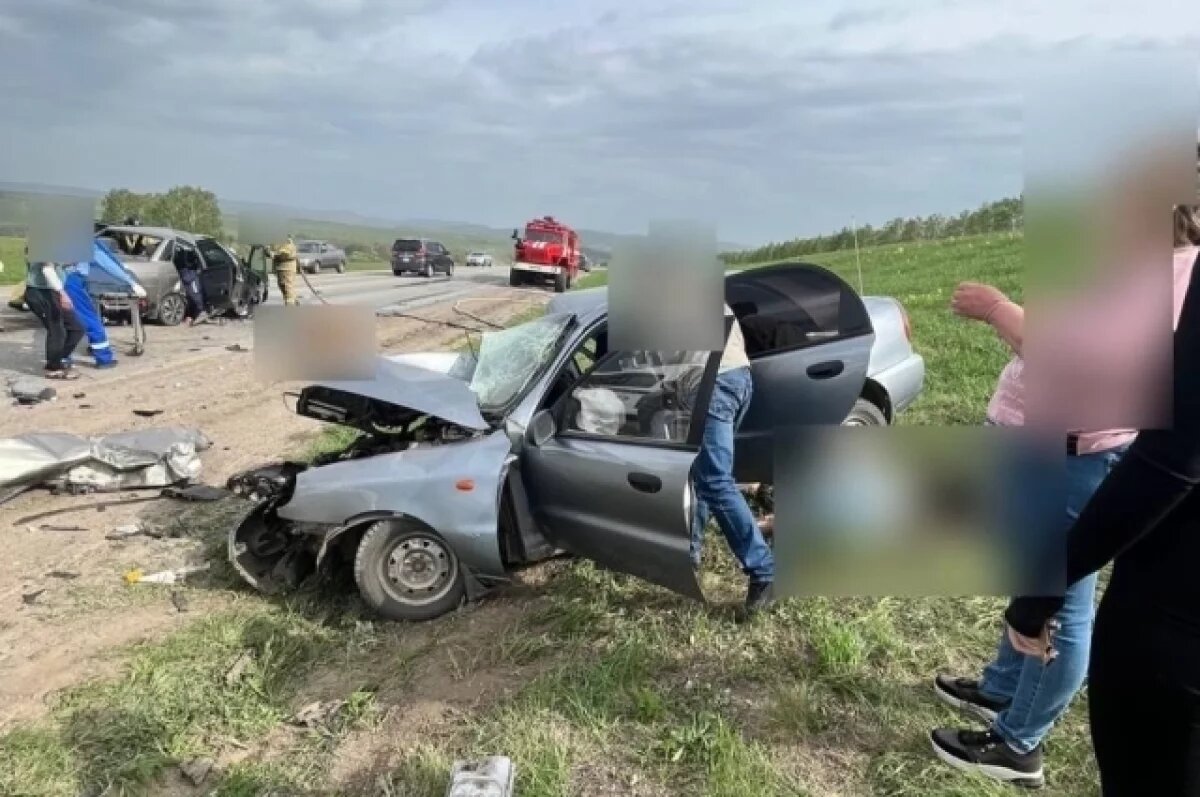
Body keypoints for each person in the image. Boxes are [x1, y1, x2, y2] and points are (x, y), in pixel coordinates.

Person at [930, 208, 1198, 788]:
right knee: (1031, 573)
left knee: (1061, 598)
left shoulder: (1170, 274)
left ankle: (1020, 743)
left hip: (1074, 453)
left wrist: (999, 310)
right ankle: (1002, 688)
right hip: (1042, 441)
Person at [690, 304, 774, 615]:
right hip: (740, 379)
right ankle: (691, 551)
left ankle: (764, 570)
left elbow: (654, 363)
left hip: (711, 383)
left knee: (714, 480)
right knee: (705, 476)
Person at [24, 257, 84, 380]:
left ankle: (56, 360)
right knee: (57, 330)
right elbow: (47, 269)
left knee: (76, 328)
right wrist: (63, 294)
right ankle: (53, 368)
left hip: (52, 292)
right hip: (40, 292)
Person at [268, 235, 300, 306]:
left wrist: (273, 254)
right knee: (284, 287)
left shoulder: (284, 240)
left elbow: (285, 253)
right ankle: (294, 303)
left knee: (287, 289)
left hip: (286, 268)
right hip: (282, 268)